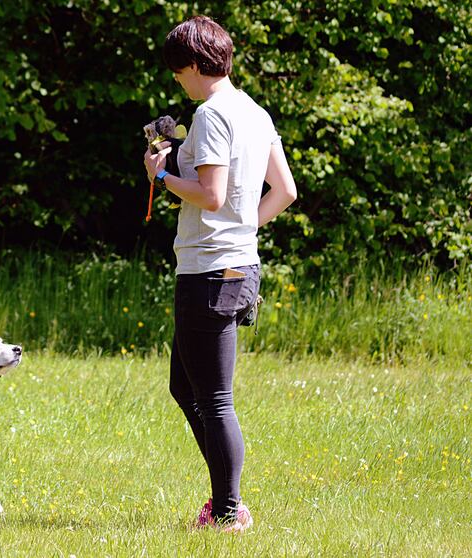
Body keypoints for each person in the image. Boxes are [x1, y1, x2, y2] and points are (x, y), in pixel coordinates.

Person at [143, 15, 297, 532]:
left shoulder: (211, 115)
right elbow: (285, 190)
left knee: (212, 398)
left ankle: (229, 512)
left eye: (177, 73)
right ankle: (224, 500)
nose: (178, 84)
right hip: (235, 265)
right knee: (184, 388)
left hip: (209, 272)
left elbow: (209, 195)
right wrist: (242, 228)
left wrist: (161, 174)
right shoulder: (255, 112)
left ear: (191, 65)